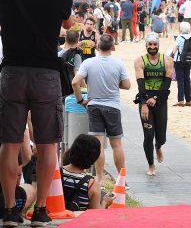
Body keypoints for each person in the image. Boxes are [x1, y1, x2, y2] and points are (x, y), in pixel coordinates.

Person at [0, 0, 73, 225]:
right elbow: (68, 24)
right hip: (46, 75)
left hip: (12, 72)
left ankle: (9, 210)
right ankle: (41, 210)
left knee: (10, 143)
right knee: (46, 145)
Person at [71, 34, 131, 189]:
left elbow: (75, 82)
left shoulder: (89, 62)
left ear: (97, 46)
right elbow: (127, 85)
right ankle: (121, 178)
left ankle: (99, 179)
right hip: (113, 106)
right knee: (116, 144)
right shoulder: (119, 63)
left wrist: (80, 100)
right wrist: (114, 83)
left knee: (98, 144)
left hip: (94, 105)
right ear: (112, 47)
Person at [134, 33, 173, 176]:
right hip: (145, 100)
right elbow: (141, 85)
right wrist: (144, 103)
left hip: (160, 100)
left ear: (158, 45)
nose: (152, 47)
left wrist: (156, 98)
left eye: (154, 44)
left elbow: (167, 85)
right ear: (146, 45)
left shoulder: (167, 60)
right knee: (148, 134)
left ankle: (158, 146)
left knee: (161, 136)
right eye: (150, 44)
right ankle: (151, 165)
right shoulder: (140, 61)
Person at [61, 134, 115, 210]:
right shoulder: (91, 185)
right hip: (78, 221)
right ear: (93, 159)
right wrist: (104, 203)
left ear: (72, 150)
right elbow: (95, 215)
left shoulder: (56, 173)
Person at [172, 22, 191, 107]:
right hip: (188, 60)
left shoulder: (179, 38)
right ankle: (189, 100)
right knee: (187, 79)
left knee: (180, 80)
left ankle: (180, 100)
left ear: (181, 29)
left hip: (179, 60)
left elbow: (174, 51)